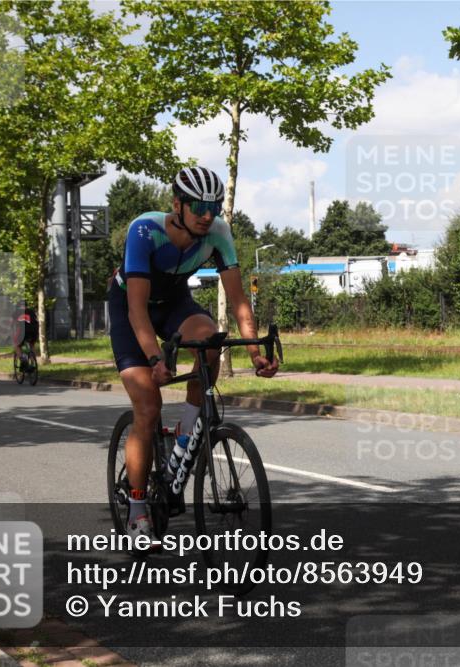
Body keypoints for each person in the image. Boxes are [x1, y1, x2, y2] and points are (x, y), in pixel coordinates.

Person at [109, 166, 279, 546]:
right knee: (148, 408)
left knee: (210, 339)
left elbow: (238, 301)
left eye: (214, 206)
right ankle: (137, 511)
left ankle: (189, 427)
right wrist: (156, 359)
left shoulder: (218, 232)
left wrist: (255, 353)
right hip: (130, 307)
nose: (207, 214)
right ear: (177, 204)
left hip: (173, 304)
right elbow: (137, 310)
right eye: (199, 206)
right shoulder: (144, 231)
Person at [14, 304, 39, 368]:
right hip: (33, 332)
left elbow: (13, 324)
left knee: (16, 345)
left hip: (22, 332)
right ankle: (33, 362)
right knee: (32, 345)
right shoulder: (32, 311)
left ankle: (23, 359)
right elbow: (36, 321)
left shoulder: (16, 312)